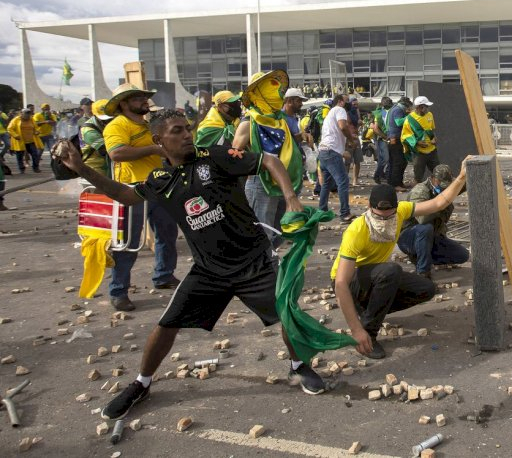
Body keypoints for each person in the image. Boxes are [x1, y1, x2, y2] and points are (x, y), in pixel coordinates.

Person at [54, 110, 332, 421]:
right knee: (166, 325)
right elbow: (124, 194)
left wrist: (291, 197)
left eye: (188, 128)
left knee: (287, 314)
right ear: (159, 140)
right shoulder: (160, 179)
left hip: (253, 260)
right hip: (209, 270)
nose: (187, 134)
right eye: (177, 130)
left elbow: (268, 160)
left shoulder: (215, 156)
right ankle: (142, 383)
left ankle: (298, 365)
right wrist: (80, 167)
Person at [332, 164, 469, 359]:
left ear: (397, 209)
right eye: (380, 216)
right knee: (391, 271)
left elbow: (439, 203)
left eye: (390, 216)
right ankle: (368, 333)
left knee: (426, 288)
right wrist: (356, 330)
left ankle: (370, 311)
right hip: (351, 283)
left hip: (376, 277)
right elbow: (340, 283)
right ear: (369, 208)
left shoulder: (402, 211)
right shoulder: (356, 231)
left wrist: (462, 176)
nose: (385, 221)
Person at [103, 83, 180, 310]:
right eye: (138, 98)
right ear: (124, 104)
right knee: (128, 242)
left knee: (167, 233)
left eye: (144, 97)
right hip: (131, 189)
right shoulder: (118, 125)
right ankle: (118, 290)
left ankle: (164, 275)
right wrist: (154, 150)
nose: (144, 101)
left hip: (158, 185)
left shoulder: (147, 125)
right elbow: (116, 152)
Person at [232, 71, 307, 251]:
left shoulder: (278, 120)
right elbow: (235, 156)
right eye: (271, 89)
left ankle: (266, 261)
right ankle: (262, 270)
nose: (278, 94)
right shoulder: (249, 121)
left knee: (279, 229)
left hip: (281, 182)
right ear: (260, 93)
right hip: (261, 182)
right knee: (262, 232)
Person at [397, 164, 469, 279]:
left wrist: (467, 172)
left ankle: (424, 256)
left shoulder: (443, 188)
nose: (445, 189)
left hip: (432, 236)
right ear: (433, 179)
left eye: (447, 186)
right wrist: (440, 204)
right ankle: (423, 273)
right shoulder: (420, 191)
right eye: (442, 185)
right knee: (426, 228)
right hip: (410, 236)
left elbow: (461, 185)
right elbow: (422, 218)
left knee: (462, 255)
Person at [317, 93, 356, 222]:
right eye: (346, 100)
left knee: (326, 184)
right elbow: (342, 126)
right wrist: (351, 140)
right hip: (331, 152)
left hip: (324, 151)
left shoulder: (329, 114)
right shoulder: (340, 109)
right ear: (340, 101)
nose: (349, 103)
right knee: (343, 181)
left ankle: (322, 211)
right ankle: (345, 213)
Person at [402, 96, 440, 184]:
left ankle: (439, 193)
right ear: (419, 107)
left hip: (432, 151)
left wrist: (434, 138)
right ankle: (416, 194)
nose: (427, 108)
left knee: (438, 173)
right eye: (425, 106)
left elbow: (431, 129)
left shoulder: (430, 115)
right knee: (418, 177)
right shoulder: (409, 119)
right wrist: (418, 143)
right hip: (419, 153)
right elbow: (405, 136)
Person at [79, 99, 114, 176]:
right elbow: (109, 150)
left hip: (107, 166)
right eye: (105, 120)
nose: (108, 121)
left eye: (110, 118)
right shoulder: (88, 131)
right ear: (94, 115)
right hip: (95, 169)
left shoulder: (105, 125)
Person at [385, 96, 411, 190]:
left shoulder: (396, 109)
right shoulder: (398, 110)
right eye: (408, 106)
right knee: (398, 162)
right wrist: (409, 116)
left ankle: (397, 182)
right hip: (395, 139)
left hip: (395, 139)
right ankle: (395, 184)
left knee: (399, 162)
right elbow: (399, 122)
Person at [370, 97, 393, 185]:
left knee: (385, 159)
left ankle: (383, 175)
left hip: (385, 138)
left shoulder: (388, 112)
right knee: (384, 159)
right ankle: (377, 175)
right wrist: (385, 137)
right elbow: (374, 127)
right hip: (381, 139)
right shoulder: (379, 113)